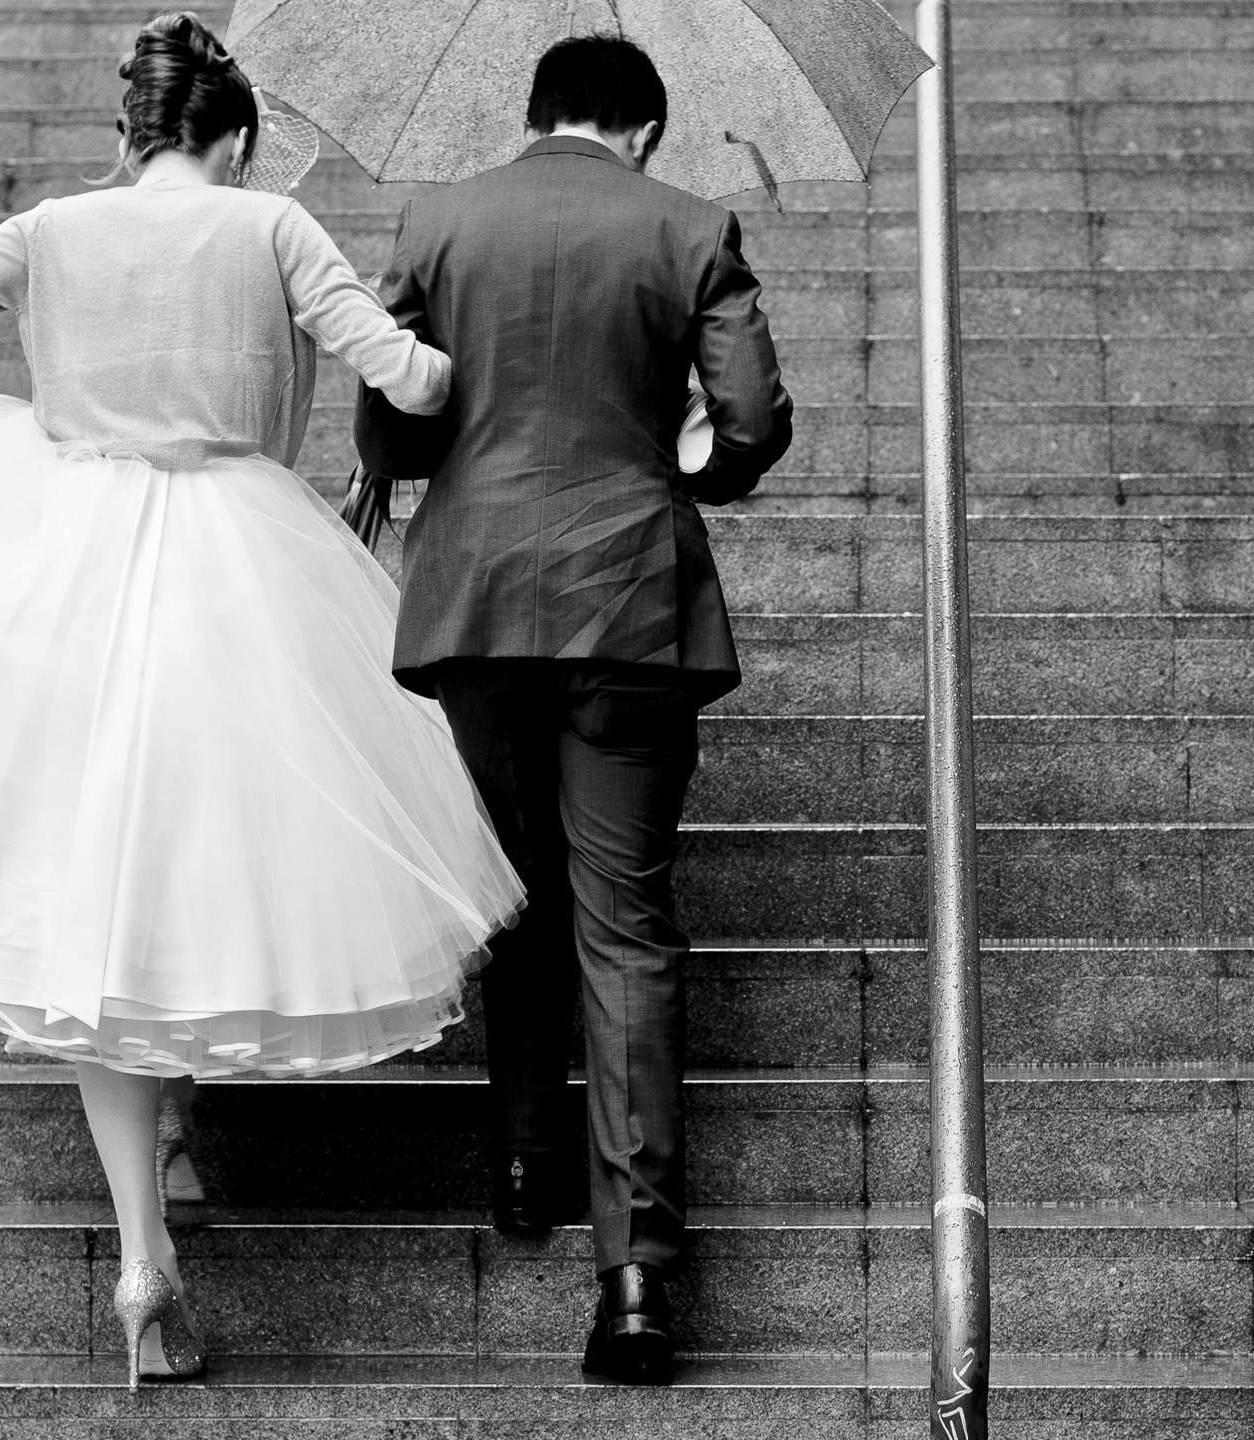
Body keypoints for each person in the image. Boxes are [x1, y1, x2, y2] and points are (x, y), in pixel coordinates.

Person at [0, 11, 523, 1389]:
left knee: (89, 886)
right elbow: (405, 376)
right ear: (241, 137)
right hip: (243, 563)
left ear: (128, 135)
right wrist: (453, 353)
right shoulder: (272, 228)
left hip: (76, 556)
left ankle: (144, 1242)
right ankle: (177, 1129)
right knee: (204, 855)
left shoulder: (51, 230)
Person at [356, 33, 794, 1386]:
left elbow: (394, 424)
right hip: (629, 606)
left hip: (477, 603)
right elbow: (755, 418)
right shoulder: (689, 226)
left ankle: (525, 1159)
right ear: (649, 135)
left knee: (515, 884)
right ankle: (638, 1283)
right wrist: (691, 471)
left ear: (534, 114)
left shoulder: (443, 217)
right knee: (627, 922)